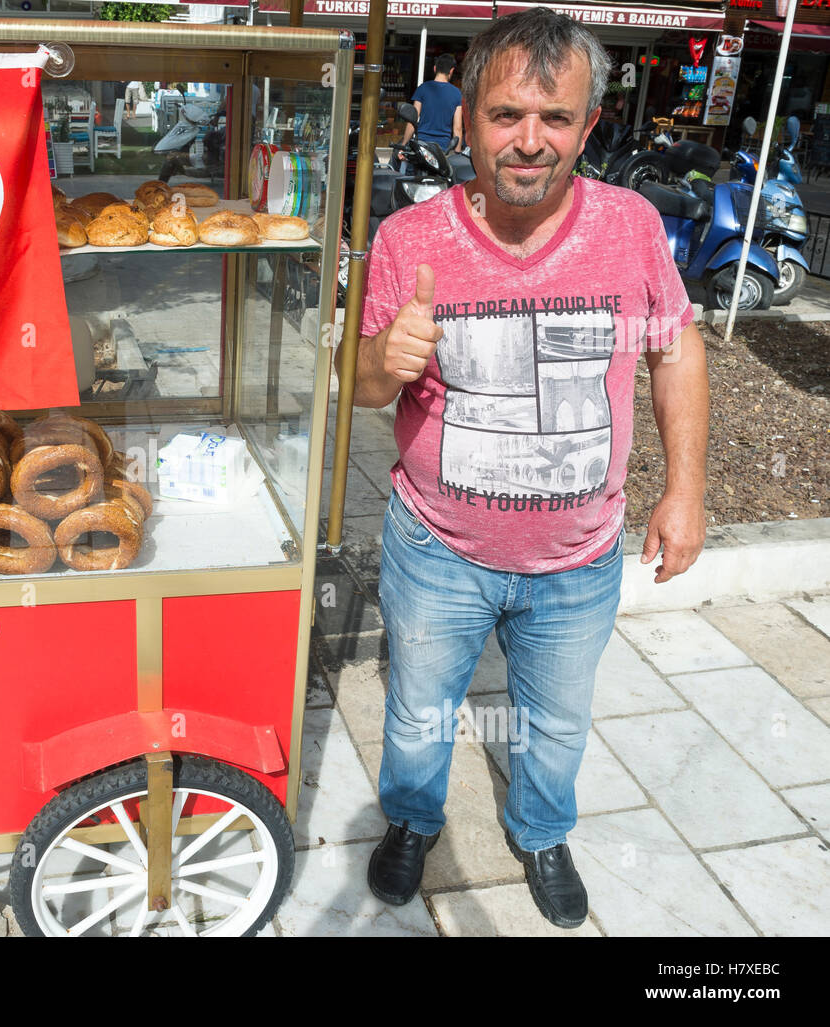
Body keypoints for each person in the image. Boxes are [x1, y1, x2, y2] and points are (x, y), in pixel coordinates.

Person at [344, 7, 708, 929]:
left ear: (590, 128)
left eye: (556, 120)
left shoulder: (630, 229)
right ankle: (413, 822)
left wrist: (686, 490)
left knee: (557, 722)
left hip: (580, 557)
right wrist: (383, 356)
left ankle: (542, 830)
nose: (529, 141)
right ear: (464, 119)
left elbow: (677, 352)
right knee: (419, 708)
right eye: (506, 115)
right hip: (436, 546)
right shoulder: (408, 240)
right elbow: (356, 389)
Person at [403, 53, 463, 153]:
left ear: (434, 69)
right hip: (442, 148)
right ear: (451, 71)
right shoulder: (457, 93)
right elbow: (457, 128)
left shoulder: (423, 88)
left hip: (422, 146)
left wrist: (404, 144)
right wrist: (457, 152)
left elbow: (412, 120)